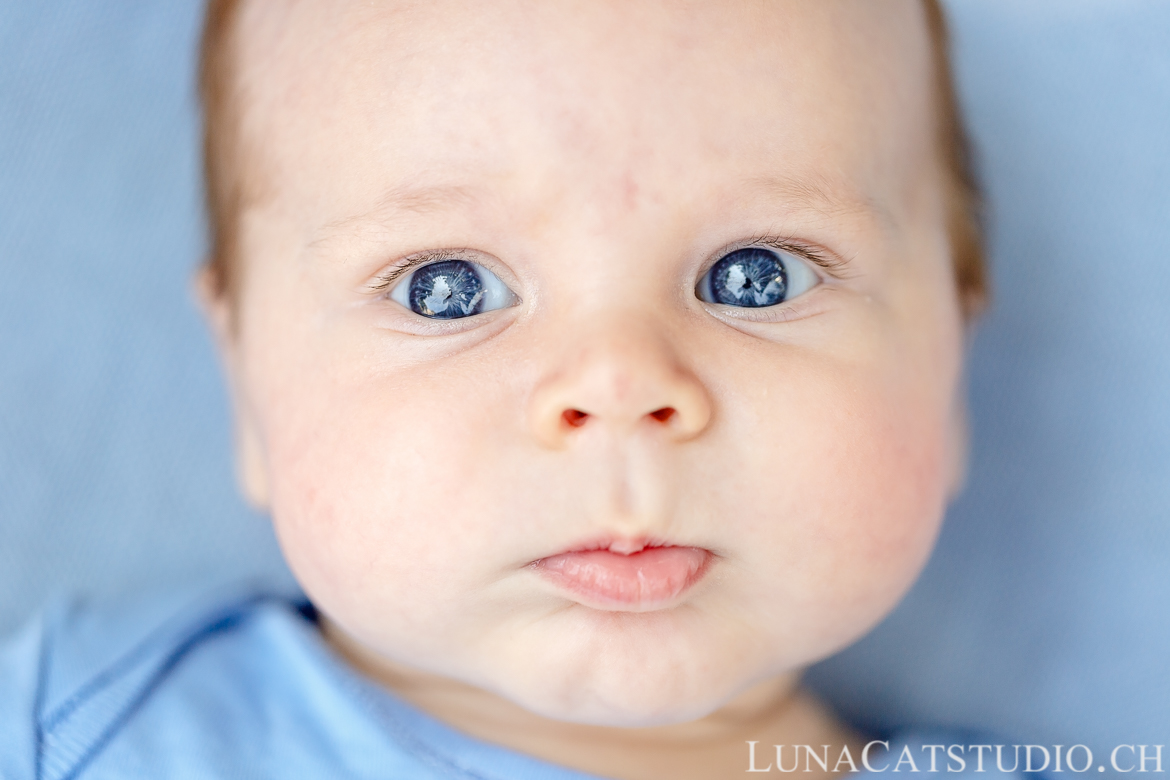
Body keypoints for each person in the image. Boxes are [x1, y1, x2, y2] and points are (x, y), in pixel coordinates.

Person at [2, 1, 1043, 777]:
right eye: (446, 290)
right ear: (247, 387)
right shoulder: (82, 725)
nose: (621, 385)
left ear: (951, 359)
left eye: (754, 276)